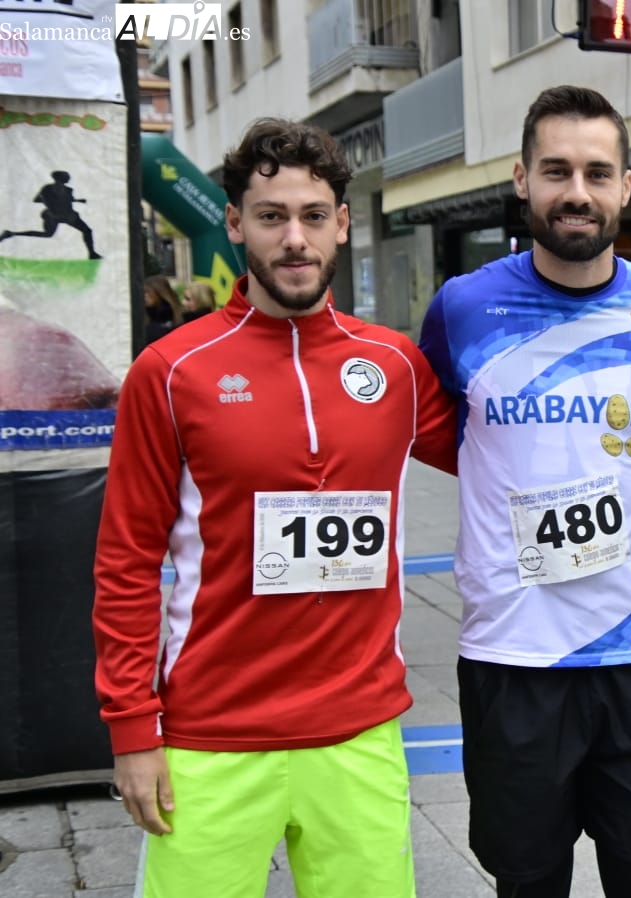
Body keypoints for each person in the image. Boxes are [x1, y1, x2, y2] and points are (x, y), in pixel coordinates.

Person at [93, 117, 458, 898]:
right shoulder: (171, 370)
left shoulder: (394, 365)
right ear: (233, 223)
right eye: (271, 216)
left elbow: (504, 458)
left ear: (342, 224)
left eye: (313, 216)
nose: (295, 238)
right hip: (210, 738)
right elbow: (126, 561)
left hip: (359, 734)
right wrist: (131, 729)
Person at [418, 85, 631, 898]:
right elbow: (430, 430)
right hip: (514, 659)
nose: (576, 192)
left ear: (625, 186)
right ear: (521, 179)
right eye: (556, 171)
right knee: (527, 880)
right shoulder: (462, 308)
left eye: (596, 172)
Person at [0, 170, 102, 259]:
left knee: (87, 231)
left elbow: (67, 200)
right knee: (48, 234)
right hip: (54, 216)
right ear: (60, 178)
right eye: (66, 177)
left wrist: (77, 200)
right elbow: (37, 199)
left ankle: (92, 253)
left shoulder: (68, 190)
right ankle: (11, 233)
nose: (68, 179)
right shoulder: (48, 188)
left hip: (67, 215)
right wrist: (49, 203)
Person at [143, 274, 182, 342]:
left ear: (158, 293)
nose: (144, 296)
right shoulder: (144, 316)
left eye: (147, 292)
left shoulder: (178, 315)